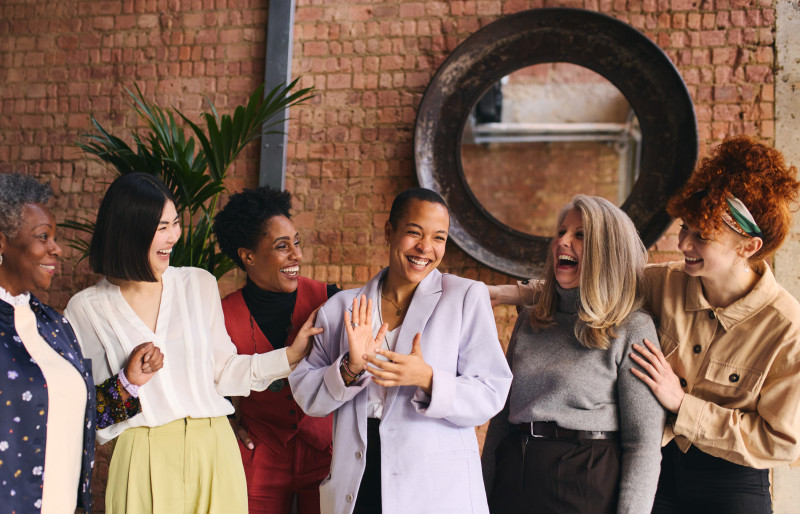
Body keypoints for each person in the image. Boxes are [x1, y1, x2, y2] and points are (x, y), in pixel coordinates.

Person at [64, 172, 322, 513]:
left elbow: (225, 371)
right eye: (161, 228)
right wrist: (128, 382)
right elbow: (90, 416)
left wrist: (289, 356)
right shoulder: (86, 309)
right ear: (130, 231)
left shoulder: (197, 284)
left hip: (214, 448)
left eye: (175, 223)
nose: (174, 236)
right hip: (142, 456)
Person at [289, 188, 512, 514]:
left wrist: (428, 378)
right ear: (389, 232)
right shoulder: (341, 308)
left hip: (435, 486)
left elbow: (491, 391)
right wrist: (350, 368)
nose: (426, 248)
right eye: (414, 233)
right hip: (359, 477)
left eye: (439, 237)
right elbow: (308, 396)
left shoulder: (465, 298)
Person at [628, 136, 800, 513]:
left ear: (748, 248)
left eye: (702, 236)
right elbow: (598, 289)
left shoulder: (788, 329)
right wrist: (509, 294)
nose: (683, 243)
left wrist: (682, 404)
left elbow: (780, 441)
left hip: (732, 480)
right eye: (685, 227)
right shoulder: (663, 282)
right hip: (657, 467)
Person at [481, 195, 666, 514]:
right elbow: (500, 422)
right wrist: (478, 498)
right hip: (514, 479)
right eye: (561, 232)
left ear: (606, 250)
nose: (562, 242)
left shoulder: (633, 328)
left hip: (585, 484)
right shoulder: (531, 317)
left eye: (580, 235)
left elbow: (643, 445)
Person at [0, 173, 158, 514]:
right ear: (2, 243)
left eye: (55, 237)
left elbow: (81, 419)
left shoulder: (55, 327)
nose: (56, 248)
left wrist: (128, 383)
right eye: (43, 237)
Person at [213, 186, 338, 514]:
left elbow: (390, 299)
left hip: (325, 451)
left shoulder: (329, 298)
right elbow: (207, 381)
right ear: (248, 256)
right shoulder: (221, 314)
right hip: (261, 453)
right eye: (282, 247)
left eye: (296, 242)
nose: (296, 255)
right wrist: (228, 422)